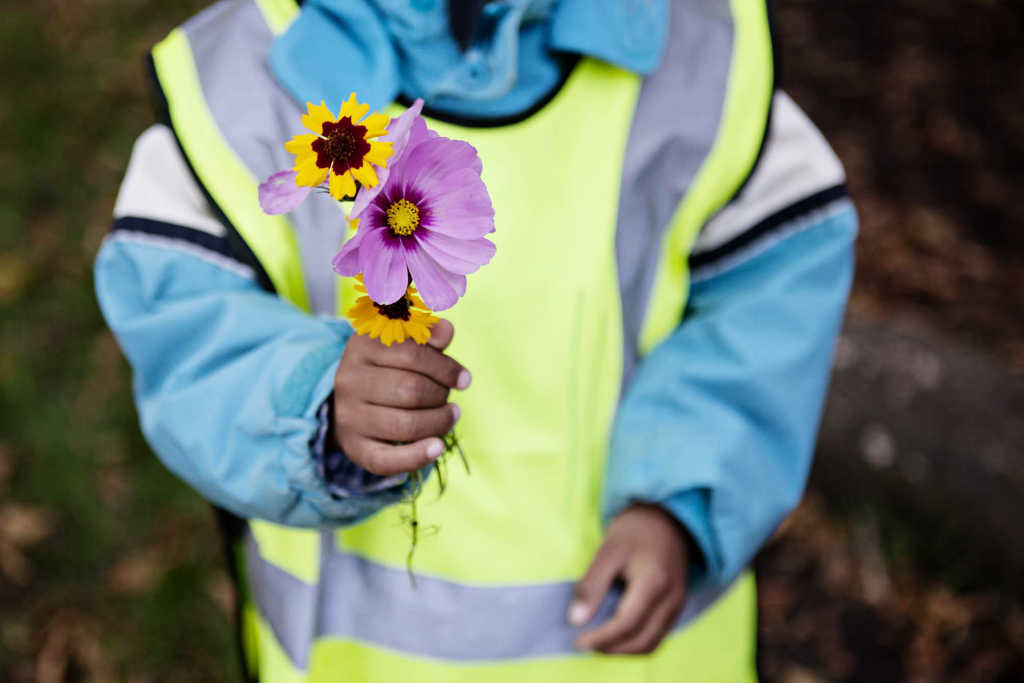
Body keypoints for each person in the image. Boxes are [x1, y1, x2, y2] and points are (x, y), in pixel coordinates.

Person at [95, 0, 856, 680]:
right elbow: (187, 331)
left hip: (638, 649)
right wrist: (317, 402)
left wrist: (685, 495)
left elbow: (770, 297)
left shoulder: (701, 52)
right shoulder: (238, 81)